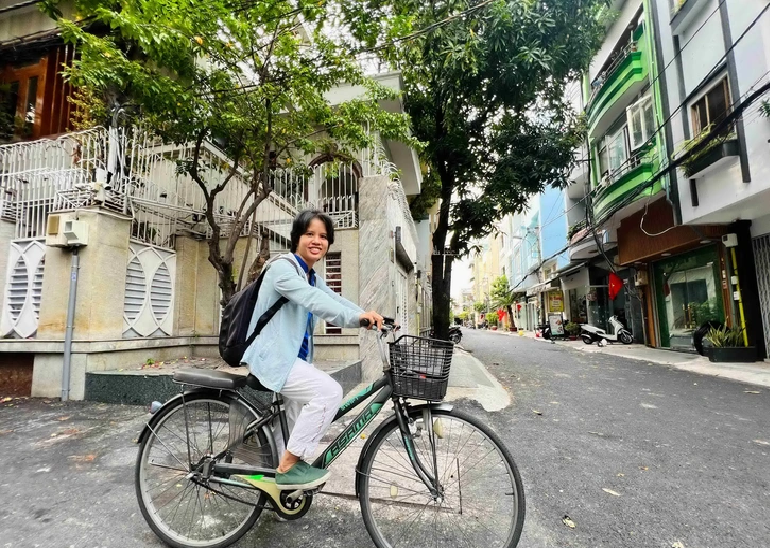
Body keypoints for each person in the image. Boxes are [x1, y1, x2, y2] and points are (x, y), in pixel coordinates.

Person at [241, 210, 383, 491]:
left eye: (323, 236)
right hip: (274, 360)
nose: (317, 241)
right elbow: (314, 301)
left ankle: (279, 492)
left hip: (294, 362)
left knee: (293, 434)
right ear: (296, 238)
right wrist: (358, 319)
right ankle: (287, 469)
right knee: (328, 392)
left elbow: (335, 300)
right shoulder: (282, 268)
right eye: (310, 234)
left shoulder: (310, 275)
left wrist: (369, 315)